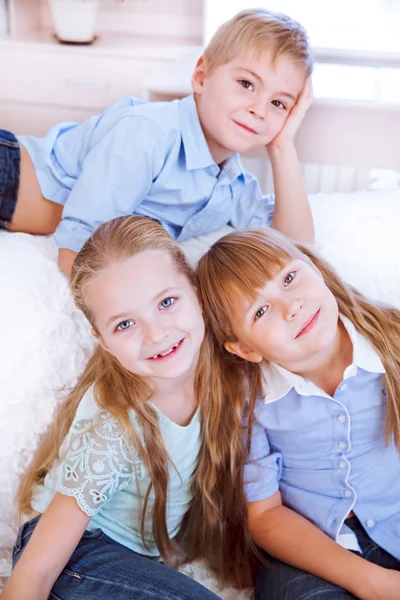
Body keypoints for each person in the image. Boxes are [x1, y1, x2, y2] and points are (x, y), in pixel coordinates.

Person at [1, 216, 256, 600]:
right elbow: (35, 572)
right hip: (70, 558)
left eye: (167, 302)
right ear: (103, 341)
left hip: (130, 565)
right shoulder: (116, 430)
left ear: (197, 295)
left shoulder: (222, 373)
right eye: (124, 325)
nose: (156, 334)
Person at [0, 8, 314, 277]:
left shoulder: (230, 186)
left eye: (279, 104)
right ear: (201, 77)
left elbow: (296, 252)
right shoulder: (148, 134)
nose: (259, 109)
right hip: (9, 172)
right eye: (246, 84)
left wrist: (282, 146)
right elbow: (74, 251)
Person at [196, 227, 400, 600]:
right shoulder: (247, 400)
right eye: (260, 311)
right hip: (311, 550)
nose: (291, 307)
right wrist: (371, 581)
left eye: (289, 277)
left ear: (313, 268)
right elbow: (266, 516)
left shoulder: (391, 340)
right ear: (244, 349)